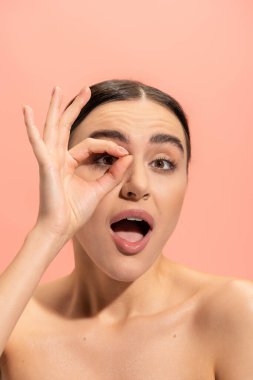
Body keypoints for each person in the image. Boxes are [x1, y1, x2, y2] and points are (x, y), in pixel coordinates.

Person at [0, 79, 252, 379]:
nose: (138, 185)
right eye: (106, 159)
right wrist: (48, 231)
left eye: (162, 163)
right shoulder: (15, 325)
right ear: (61, 173)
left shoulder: (235, 313)